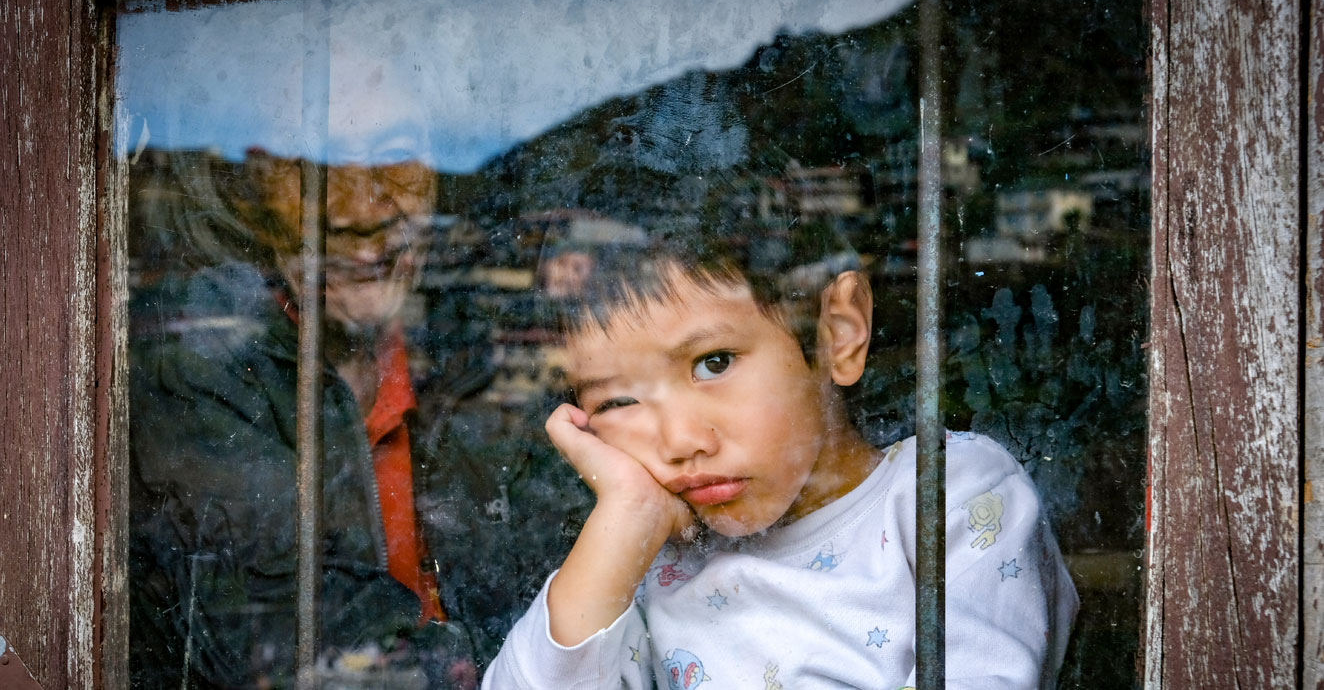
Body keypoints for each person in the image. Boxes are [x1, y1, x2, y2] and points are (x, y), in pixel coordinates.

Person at [483, 170, 1078, 689]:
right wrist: (628, 516)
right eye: (617, 400)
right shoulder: (647, 570)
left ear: (837, 333)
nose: (680, 440)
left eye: (713, 362)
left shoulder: (945, 496)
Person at [128, 147, 588, 688]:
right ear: (248, 192)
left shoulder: (473, 358)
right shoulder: (201, 367)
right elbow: (285, 646)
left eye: (395, 153)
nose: (358, 210)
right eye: (306, 164)